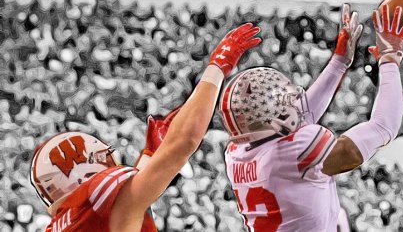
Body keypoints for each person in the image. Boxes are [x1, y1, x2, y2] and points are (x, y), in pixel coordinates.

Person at [30, 23, 262, 232]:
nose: (110, 162)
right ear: (81, 173)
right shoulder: (96, 200)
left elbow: (131, 203)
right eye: (100, 158)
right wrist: (217, 67)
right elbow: (185, 141)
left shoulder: (65, 222)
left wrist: (151, 153)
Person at [221, 4, 403, 231]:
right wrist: (389, 60)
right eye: (284, 102)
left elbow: (299, 115)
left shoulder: (236, 152)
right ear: (274, 117)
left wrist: (339, 62)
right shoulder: (295, 150)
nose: (293, 103)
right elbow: (384, 126)